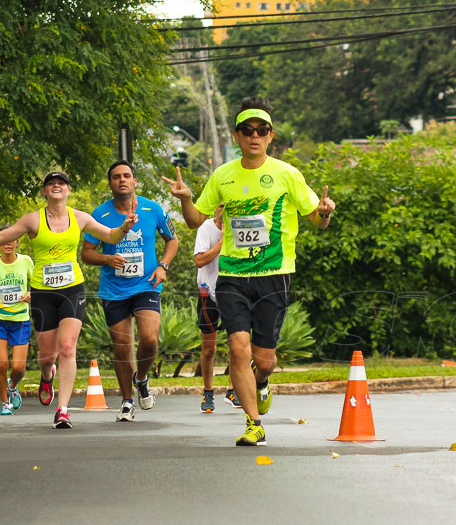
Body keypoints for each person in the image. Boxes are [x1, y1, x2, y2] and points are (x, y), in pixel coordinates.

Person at [162, 97, 336, 446]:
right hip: (232, 276)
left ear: (270, 136)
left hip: (274, 274)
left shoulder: (287, 174)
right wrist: (184, 198)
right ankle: (253, 422)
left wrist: (326, 211)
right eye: (247, 131)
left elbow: (316, 220)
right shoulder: (223, 175)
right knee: (238, 349)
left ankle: (262, 382)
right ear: (237, 137)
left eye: (262, 131)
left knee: (264, 361)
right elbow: (197, 219)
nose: (254, 136)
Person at [0, 171, 137, 429]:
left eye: (61, 183)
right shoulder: (32, 220)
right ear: (44, 192)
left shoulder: (80, 217)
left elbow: (110, 236)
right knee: (46, 357)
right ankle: (47, 376)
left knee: (67, 347)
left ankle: (63, 410)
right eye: (50, 184)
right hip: (43, 293)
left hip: (72, 289)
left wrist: (124, 227)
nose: (56, 186)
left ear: (68, 190)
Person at [81, 160, 179, 422]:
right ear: (110, 183)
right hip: (114, 289)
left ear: (135, 181)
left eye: (127, 176)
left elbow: (173, 239)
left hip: (146, 284)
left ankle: (142, 378)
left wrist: (163, 267)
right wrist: (107, 259)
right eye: (116, 177)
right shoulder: (99, 215)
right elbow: (86, 254)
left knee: (149, 339)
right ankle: (126, 401)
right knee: (122, 347)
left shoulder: (153, 208)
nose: (122, 180)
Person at [0, 232, 34, 416]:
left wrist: (31, 294)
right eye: (4, 240)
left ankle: (12, 386)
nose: (8, 244)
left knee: (18, 368)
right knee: (1, 365)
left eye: (12, 240)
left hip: (20, 320)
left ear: (17, 242)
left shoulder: (26, 261)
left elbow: (37, 285)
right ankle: (4, 403)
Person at [193, 205, 238, 412]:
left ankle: (232, 390)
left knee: (237, 345)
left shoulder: (240, 227)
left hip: (233, 292)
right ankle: (208, 392)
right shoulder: (205, 228)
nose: (224, 209)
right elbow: (199, 260)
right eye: (221, 205)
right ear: (215, 209)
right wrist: (222, 242)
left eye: (228, 204)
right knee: (209, 348)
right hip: (207, 292)